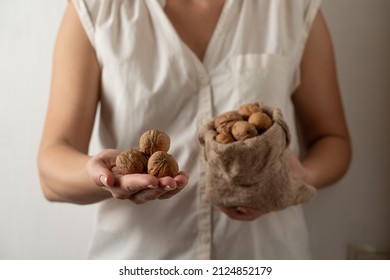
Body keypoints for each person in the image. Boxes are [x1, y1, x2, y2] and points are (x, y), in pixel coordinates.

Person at [38, 0, 351, 259]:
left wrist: (296, 178)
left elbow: (333, 141)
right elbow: (51, 171)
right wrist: (104, 177)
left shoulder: (292, 8)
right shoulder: (97, 9)